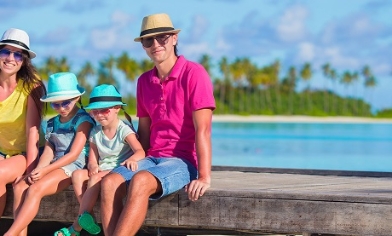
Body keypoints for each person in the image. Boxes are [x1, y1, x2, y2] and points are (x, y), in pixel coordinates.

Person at [100, 13, 216, 235]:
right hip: (151, 158)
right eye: (148, 40)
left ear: (174, 39)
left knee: (141, 180)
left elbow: (203, 131)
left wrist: (204, 177)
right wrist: (127, 158)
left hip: (182, 162)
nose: (155, 44)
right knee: (108, 183)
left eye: (162, 37)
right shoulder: (144, 81)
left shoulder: (194, 74)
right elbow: (144, 134)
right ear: (143, 45)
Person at [4, 72, 95, 236]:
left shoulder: (83, 120)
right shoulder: (52, 122)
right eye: (55, 104)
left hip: (73, 167)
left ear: (76, 98)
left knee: (35, 189)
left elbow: (74, 154)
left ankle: (10, 234)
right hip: (54, 165)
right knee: (20, 186)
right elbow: (49, 150)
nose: (61, 108)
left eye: (66, 103)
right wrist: (38, 169)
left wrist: (45, 171)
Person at [55, 84, 145, 236]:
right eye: (94, 112)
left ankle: (77, 225)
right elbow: (93, 157)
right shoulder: (96, 132)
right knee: (77, 174)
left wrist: (132, 159)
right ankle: (88, 216)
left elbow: (140, 151)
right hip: (103, 169)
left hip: (119, 170)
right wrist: (92, 165)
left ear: (117, 108)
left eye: (104, 110)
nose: (99, 115)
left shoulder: (124, 130)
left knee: (95, 178)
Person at [0, 28, 46, 218]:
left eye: (18, 54)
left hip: (27, 154)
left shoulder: (32, 85)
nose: (11, 58)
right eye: (5, 51)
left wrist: (30, 171)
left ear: (24, 60)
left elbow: (32, 133)